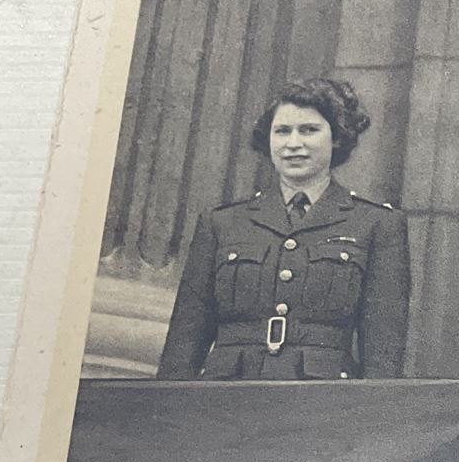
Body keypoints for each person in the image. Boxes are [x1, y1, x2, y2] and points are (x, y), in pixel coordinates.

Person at [157, 78, 411, 380]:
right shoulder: (222, 223)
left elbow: (383, 349)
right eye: (282, 131)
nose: (293, 143)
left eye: (309, 130)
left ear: (337, 138)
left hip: (322, 400)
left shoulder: (377, 225)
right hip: (225, 397)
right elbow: (185, 340)